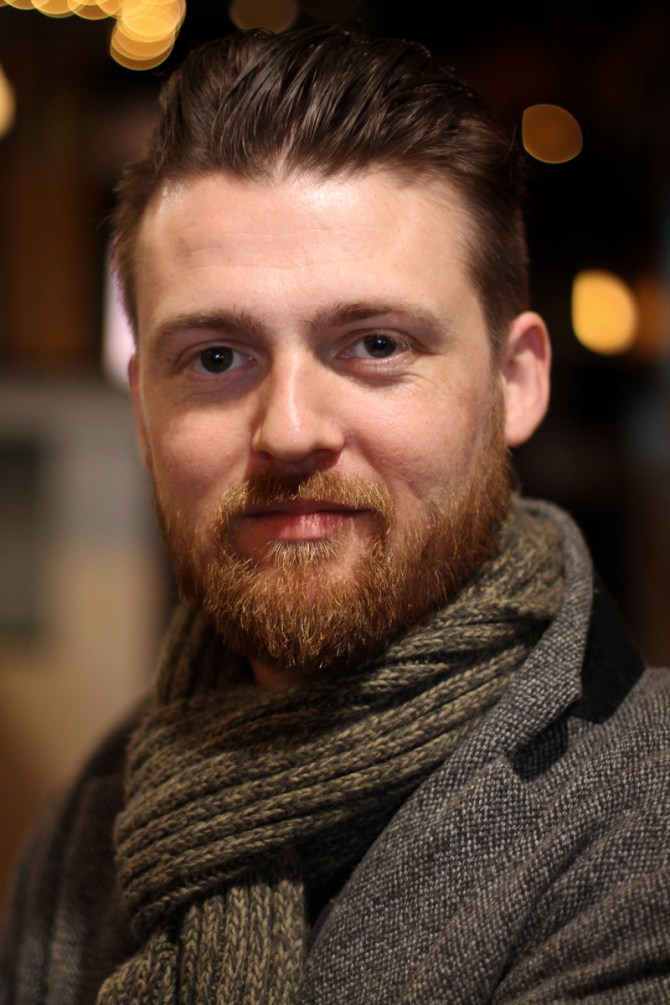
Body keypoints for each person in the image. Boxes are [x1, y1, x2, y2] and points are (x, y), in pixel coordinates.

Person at [1, 24, 669, 1005]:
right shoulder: (86, 833)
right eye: (216, 358)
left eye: (375, 344)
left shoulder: (643, 815)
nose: (290, 430)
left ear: (516, 382)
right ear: (143, 411)